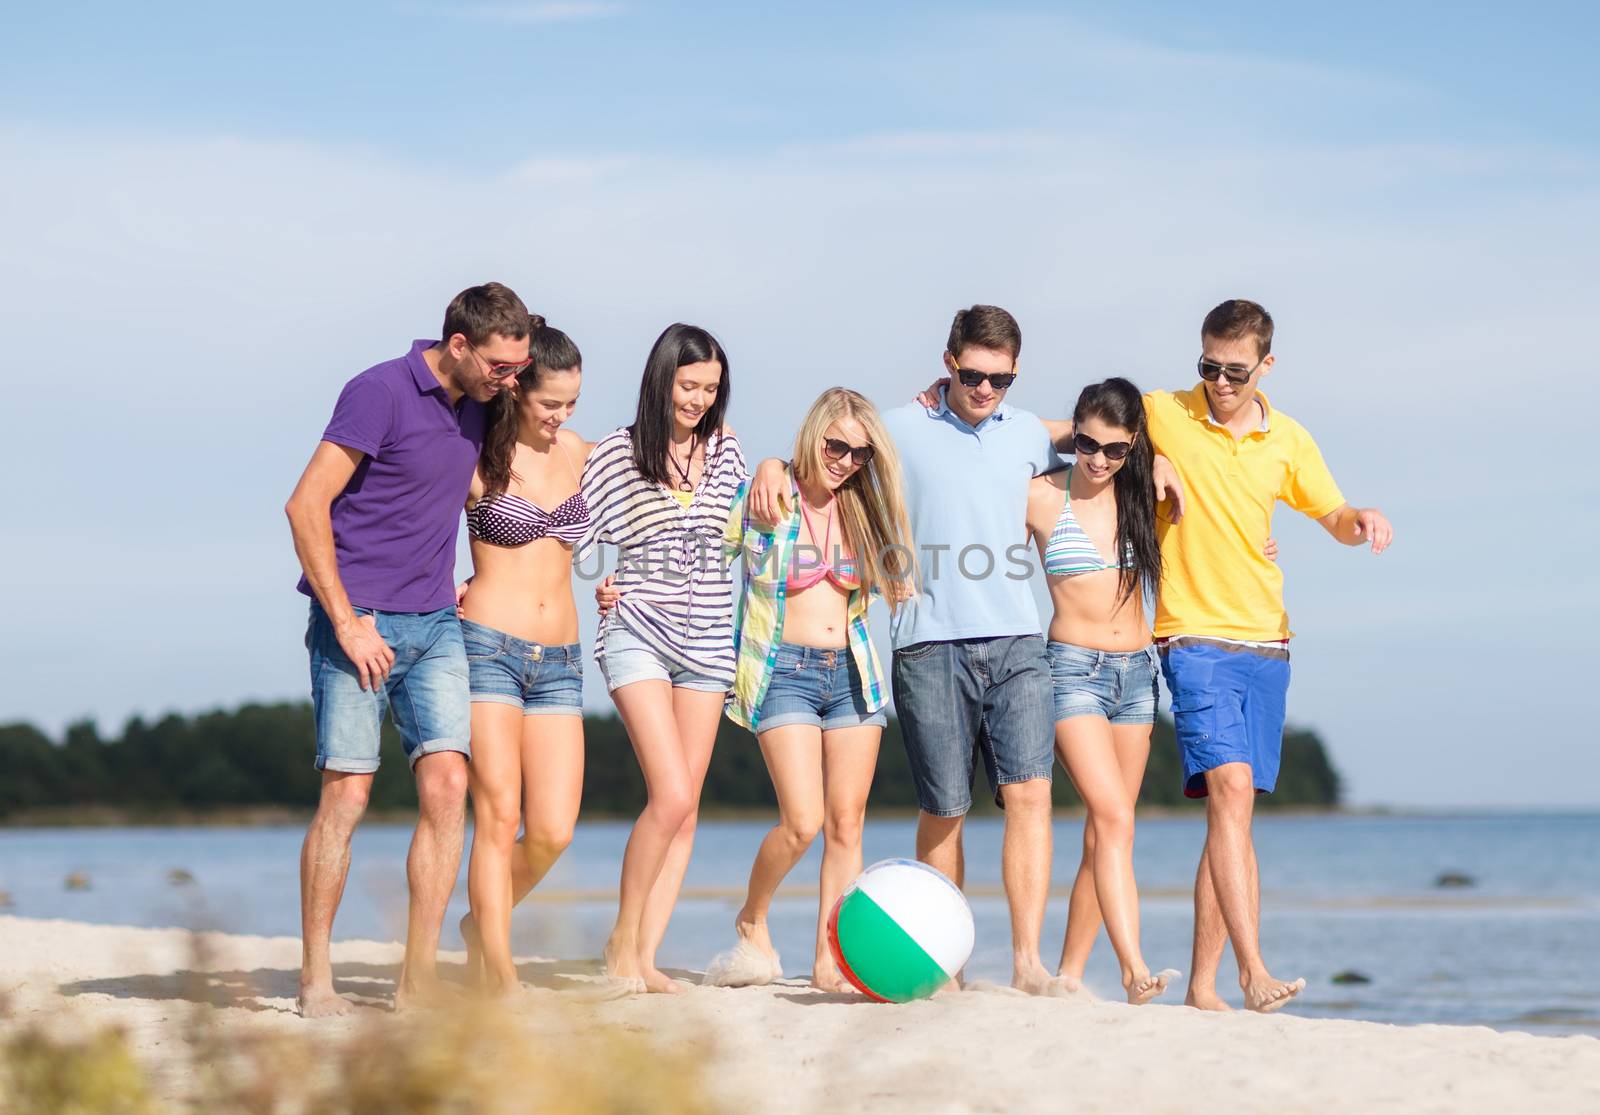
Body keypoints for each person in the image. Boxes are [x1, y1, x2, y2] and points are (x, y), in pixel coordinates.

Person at [747, 306, 1172, 994]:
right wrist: (770, 461)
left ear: (1014, 375)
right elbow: (826, 443)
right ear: (948, 362)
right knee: (946, 807)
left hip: (1017, 642)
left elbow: (1103, 436)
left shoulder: (1029, 431)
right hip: (928, 643)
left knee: (1031, 793)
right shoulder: (901, 426)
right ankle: (948, 964)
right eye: (972, 374)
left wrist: (1166, 460)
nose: (984, 390)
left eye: (999, 379)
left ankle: (1029, 962)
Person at [284, 282, 532, 1016]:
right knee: (349, 793)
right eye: (499, 365)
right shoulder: (378, 392)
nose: (509, 379)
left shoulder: (482, 400)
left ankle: (417, 978)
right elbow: (305, 505)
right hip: (358, 621)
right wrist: (347, 621)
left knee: (450, 786)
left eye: (515, 366)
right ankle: (316, 976)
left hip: (436, 625)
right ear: (458, 345)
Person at [1146, 299, 1393, 1013]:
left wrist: (1362, 520)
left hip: (1267, 641)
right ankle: (1253, 970)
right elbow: (1084, 426)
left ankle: (1201, 987)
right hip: (1191, 635)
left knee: (1235, 813)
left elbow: (1333, 515)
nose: (1219, 383)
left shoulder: (1289, 438)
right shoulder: (1164, 410)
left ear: (1265, 366)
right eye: (1207, 367)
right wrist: (1151, 453)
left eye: (1234, 370)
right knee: (1226, 792)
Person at [703, 387, 914, 992]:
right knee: (803, 821)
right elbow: (701, 555)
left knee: (847, 824)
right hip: (782, 671)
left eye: (859, 454)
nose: (846, 460)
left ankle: (830, 959)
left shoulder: (865, 511)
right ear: (813, 434)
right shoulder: (768, 492)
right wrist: (623, 585)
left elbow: (892, 588)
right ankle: (753, 915)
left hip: (852, 675)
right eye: (836, 445)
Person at [581, 323, 746, 993]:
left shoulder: (727, 450)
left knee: (687, 807)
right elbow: (584, 537)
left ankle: (643, 956)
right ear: (661, 379)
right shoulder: (616, 452)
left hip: (708, 641)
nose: (699, 399)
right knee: (670, 793)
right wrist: (600, 575)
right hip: (638, 632)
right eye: (688, 385)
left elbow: (742, 534)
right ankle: (622, 940)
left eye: (710, 388)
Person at [1023, 377, 1179, 1004]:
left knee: (1108, 829)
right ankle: (1134, 968)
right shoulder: (1037, 494)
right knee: (1114, 816)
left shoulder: (1142, 491)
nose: (1097, 460)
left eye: (1115, 450)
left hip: (1138, 676)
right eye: (1086, 442)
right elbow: (1000, 442)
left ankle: (1069, 975)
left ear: (1132, 447)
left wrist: (1157, 460)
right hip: (1072, 670)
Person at [455, 317, 593, 1000]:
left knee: (553, 829)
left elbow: (670, 456)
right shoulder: (476, 454)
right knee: (499, 811)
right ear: (516, 392)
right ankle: (500, 976)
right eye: (549, 403)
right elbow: (412, 513)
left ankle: (483, 923)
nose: (560, 416)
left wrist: (772, 463)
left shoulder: (577, 450)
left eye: (571, 402)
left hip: (561, 658)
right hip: (488, 647)